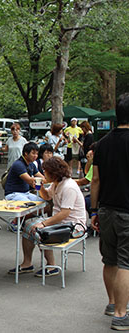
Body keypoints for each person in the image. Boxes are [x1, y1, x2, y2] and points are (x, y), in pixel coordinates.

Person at [9, 157, 86, 276]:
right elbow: (47, 197)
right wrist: (39, 188)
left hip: (74, 225)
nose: (44, 174)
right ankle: (27, 263)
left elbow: (65, 213)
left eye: (45, 171)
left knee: (39, 229)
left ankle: (51, 265)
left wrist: (44, 223)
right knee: (28, 224)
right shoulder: (57, 184)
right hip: (62, 221)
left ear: (53, 172)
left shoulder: (68, 187)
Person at [91, 93, 129, 329]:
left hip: (105, 210)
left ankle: (112, 303)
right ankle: (121, 314)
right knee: (126, 263)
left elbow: (95, 180)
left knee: (110, 260)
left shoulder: (101, 143)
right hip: (127, 212)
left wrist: (94, 211)